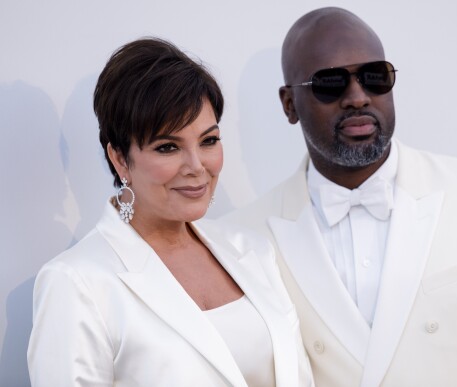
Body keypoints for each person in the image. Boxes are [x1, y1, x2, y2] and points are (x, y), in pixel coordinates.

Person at [223, 7, 457, 387]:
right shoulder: (242, 239)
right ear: (289, 104)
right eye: (330, 83)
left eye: (375, 77)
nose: (358, 97)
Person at [27, 37, 314, 387]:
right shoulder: (76, 282)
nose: (196, 166)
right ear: (120, 158)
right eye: (168, 147)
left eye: (208, 140)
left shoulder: (253, 251)